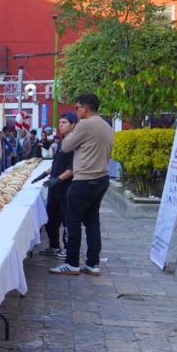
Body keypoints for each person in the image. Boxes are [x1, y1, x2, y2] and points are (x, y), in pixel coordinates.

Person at [50, 93, 114, 277]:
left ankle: (72, 263)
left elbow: (66, 146)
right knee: (92, 222)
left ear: (84, 109)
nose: (75, 111)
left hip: (85, 179)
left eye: (77, 108)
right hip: (102, 177)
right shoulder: (105, 124)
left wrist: (76, 131)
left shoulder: (85, 124)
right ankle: (93, 263)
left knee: (73, 222)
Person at [39, 113, 77, 258]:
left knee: (66, 220)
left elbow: (72, 168)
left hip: (66, 188)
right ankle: (53, 245)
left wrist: (58, 179)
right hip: (54, 188)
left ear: (73, 124)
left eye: (64, 122)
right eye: (60, 122)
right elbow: (56, 163)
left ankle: (67, 248)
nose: (60, 125)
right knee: (50, 219)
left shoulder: (74, 143)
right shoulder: (62, 142)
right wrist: (45, 174)